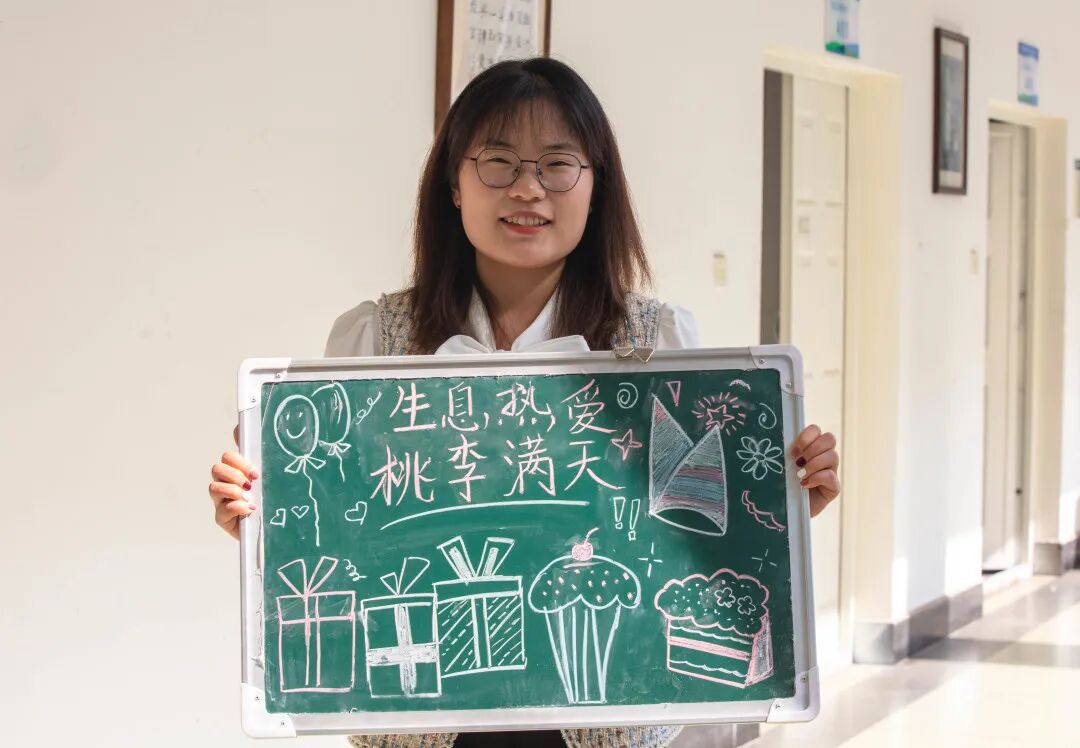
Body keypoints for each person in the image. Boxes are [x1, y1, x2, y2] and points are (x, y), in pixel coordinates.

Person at [208, 57, 840, 748]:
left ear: (596, 185)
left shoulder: (656, 339)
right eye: (498, 162)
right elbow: (336, 535)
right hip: (421, 717)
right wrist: (267, 519)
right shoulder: (373, 338)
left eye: (558, 164)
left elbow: (691, 524)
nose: (528, 188)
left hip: (608, 717)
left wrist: (777, 506)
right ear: (454, 183)